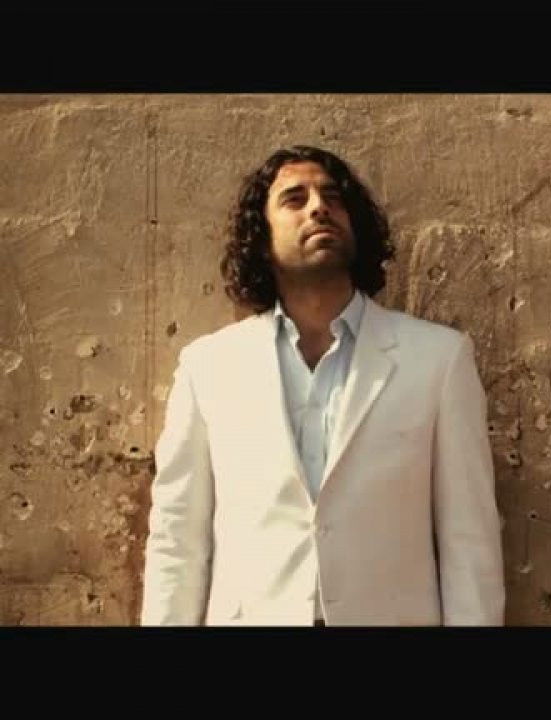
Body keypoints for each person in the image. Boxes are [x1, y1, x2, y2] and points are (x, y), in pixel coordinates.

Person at [141, 145, 504, 626]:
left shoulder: (437, 358)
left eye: (333, 198)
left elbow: (469, 538)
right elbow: (177, 537)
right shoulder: (210, 367)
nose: (318, 208)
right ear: (262, 238)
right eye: (294, 199)